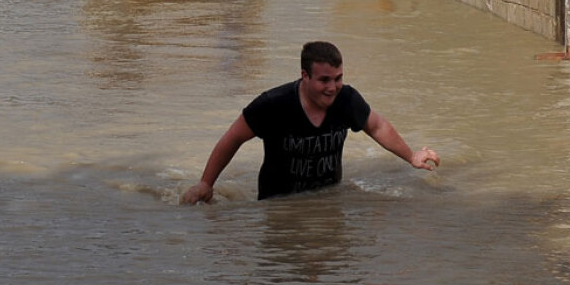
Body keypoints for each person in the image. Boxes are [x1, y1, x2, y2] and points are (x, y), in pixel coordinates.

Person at [181, 41, 440, 203]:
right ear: (304, 76)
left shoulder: (347, 99)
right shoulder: (274, 104)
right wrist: (206, 183)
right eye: (324, 80)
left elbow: (377, 126)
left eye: (337, 78)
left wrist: (411, 157)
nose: (333, 87)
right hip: (278, 204)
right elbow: (233, 138)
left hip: (328, 200)